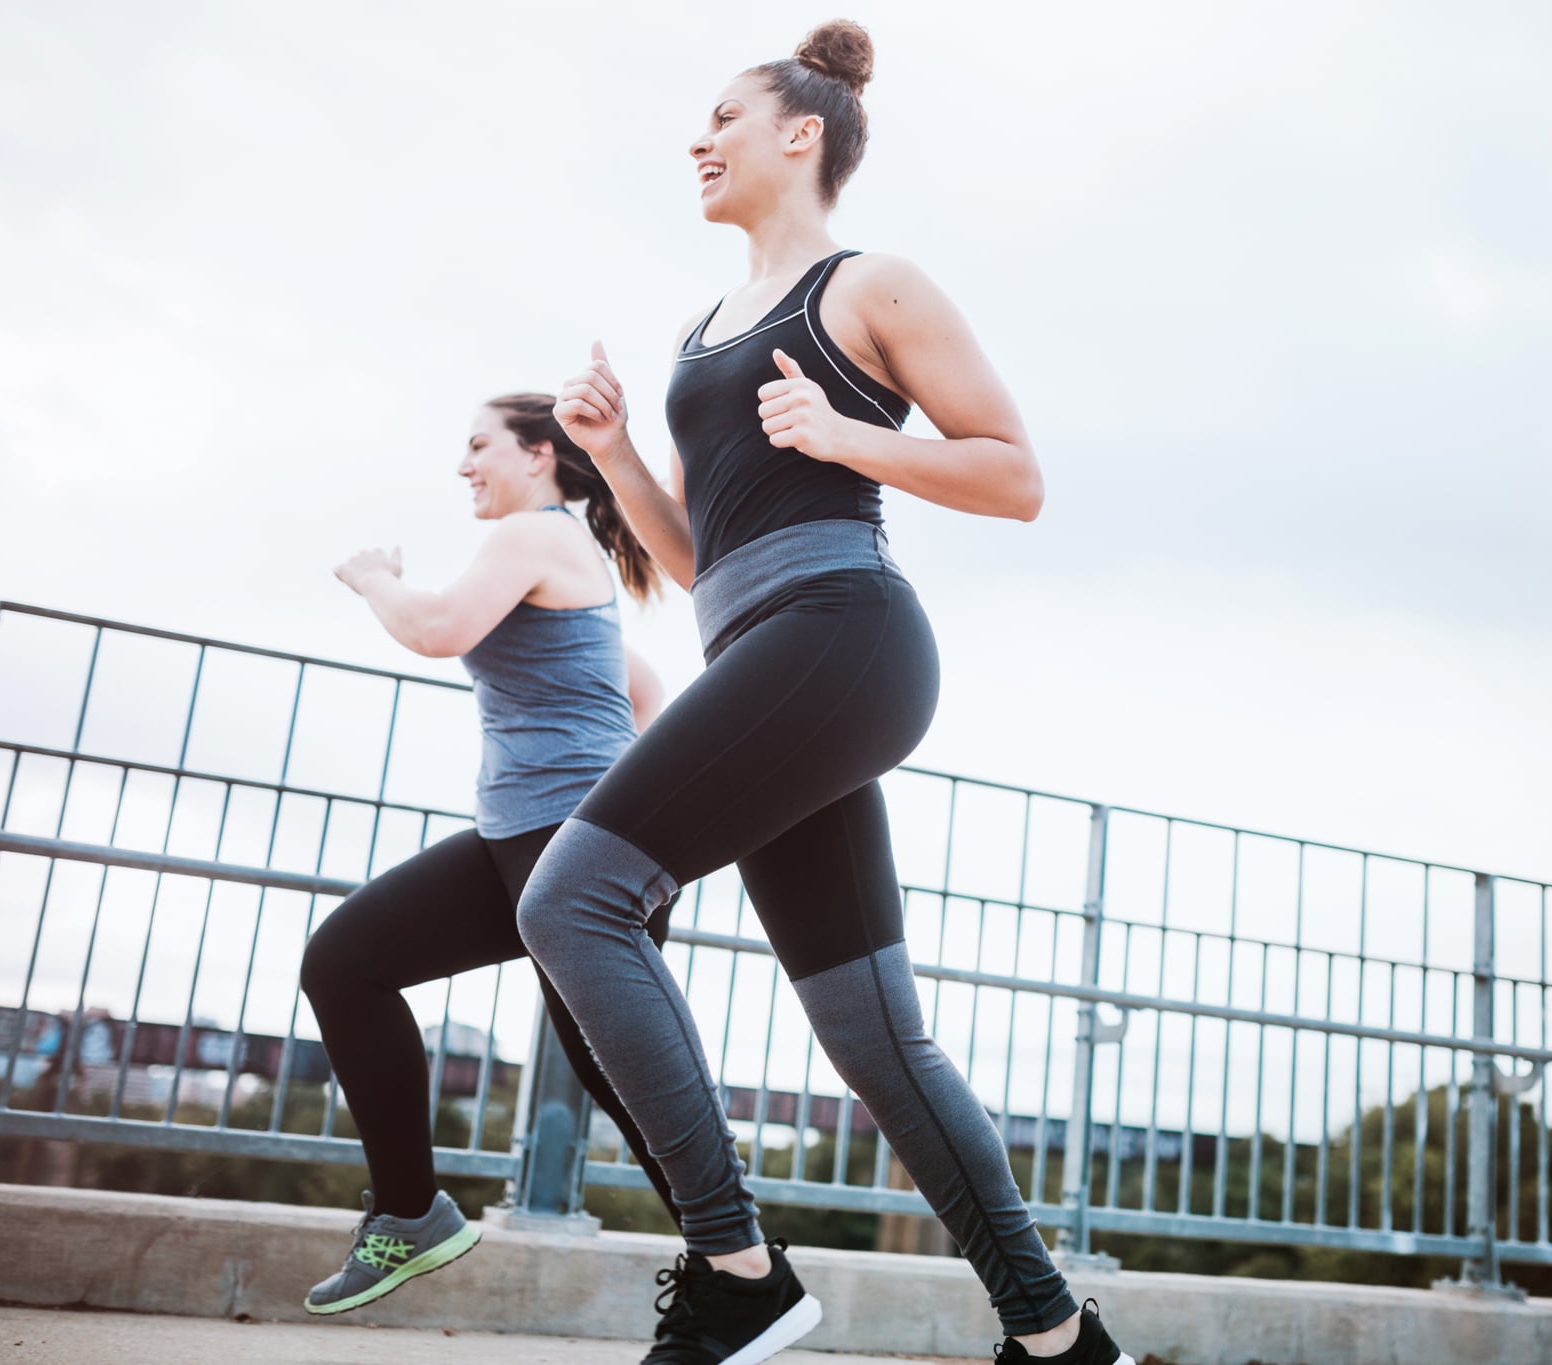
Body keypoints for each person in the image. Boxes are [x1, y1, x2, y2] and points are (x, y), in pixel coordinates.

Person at [522, 21, 1133, 1365]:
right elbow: (699, 565)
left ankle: (736, 1266)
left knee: (571, 897)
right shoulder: (701, 333)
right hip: (764, 652)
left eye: (724, 118)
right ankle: (1059, 1341)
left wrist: (849, 434)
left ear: (801, 134)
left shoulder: (872, 285)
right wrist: (618, 457)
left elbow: (1015, 476)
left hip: (844, 633)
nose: (700, 139)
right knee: (874, 1038)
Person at [299, 393, 677, 1316]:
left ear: (539, 453)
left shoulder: (532, 534)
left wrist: (374, 577)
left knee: (620, 1067)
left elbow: (436, 631)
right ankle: (409, 1213)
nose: (464, 465)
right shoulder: (558, 549)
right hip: (533, 836)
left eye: (478, 445)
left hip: (574, 843)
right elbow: (642, 685)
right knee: (345, 962)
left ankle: (742, 1252)